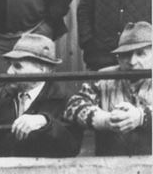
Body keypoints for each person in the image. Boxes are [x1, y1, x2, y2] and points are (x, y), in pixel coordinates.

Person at [0, 32, 82, 158]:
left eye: (17, 66)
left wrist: (46, 123)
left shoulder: (65, 100)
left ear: (43, 70)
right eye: (10, 64)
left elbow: (72, 147)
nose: (9, 72)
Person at [64, 21, 152, 156]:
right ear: (118, 58)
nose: (132, 62)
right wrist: (105, 120)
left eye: (141, 54)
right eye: (126, 55)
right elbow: (73, 106)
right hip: (110, 167)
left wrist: (141, 116)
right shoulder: (105, 77)